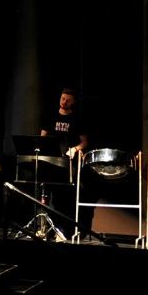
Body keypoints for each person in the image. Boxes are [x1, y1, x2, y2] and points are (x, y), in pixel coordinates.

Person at [40, 87, 88, 240]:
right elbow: (43, 138)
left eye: (68, 100)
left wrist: (74, 149)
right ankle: (45, 229)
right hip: (50, 163)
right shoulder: (50, 116)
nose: (64, 102)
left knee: (64, 199)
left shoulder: (77, 119)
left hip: (67, 163)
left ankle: (62, 230)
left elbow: (84, 142)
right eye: (62, 98)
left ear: (73, 102)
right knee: (46, 196)